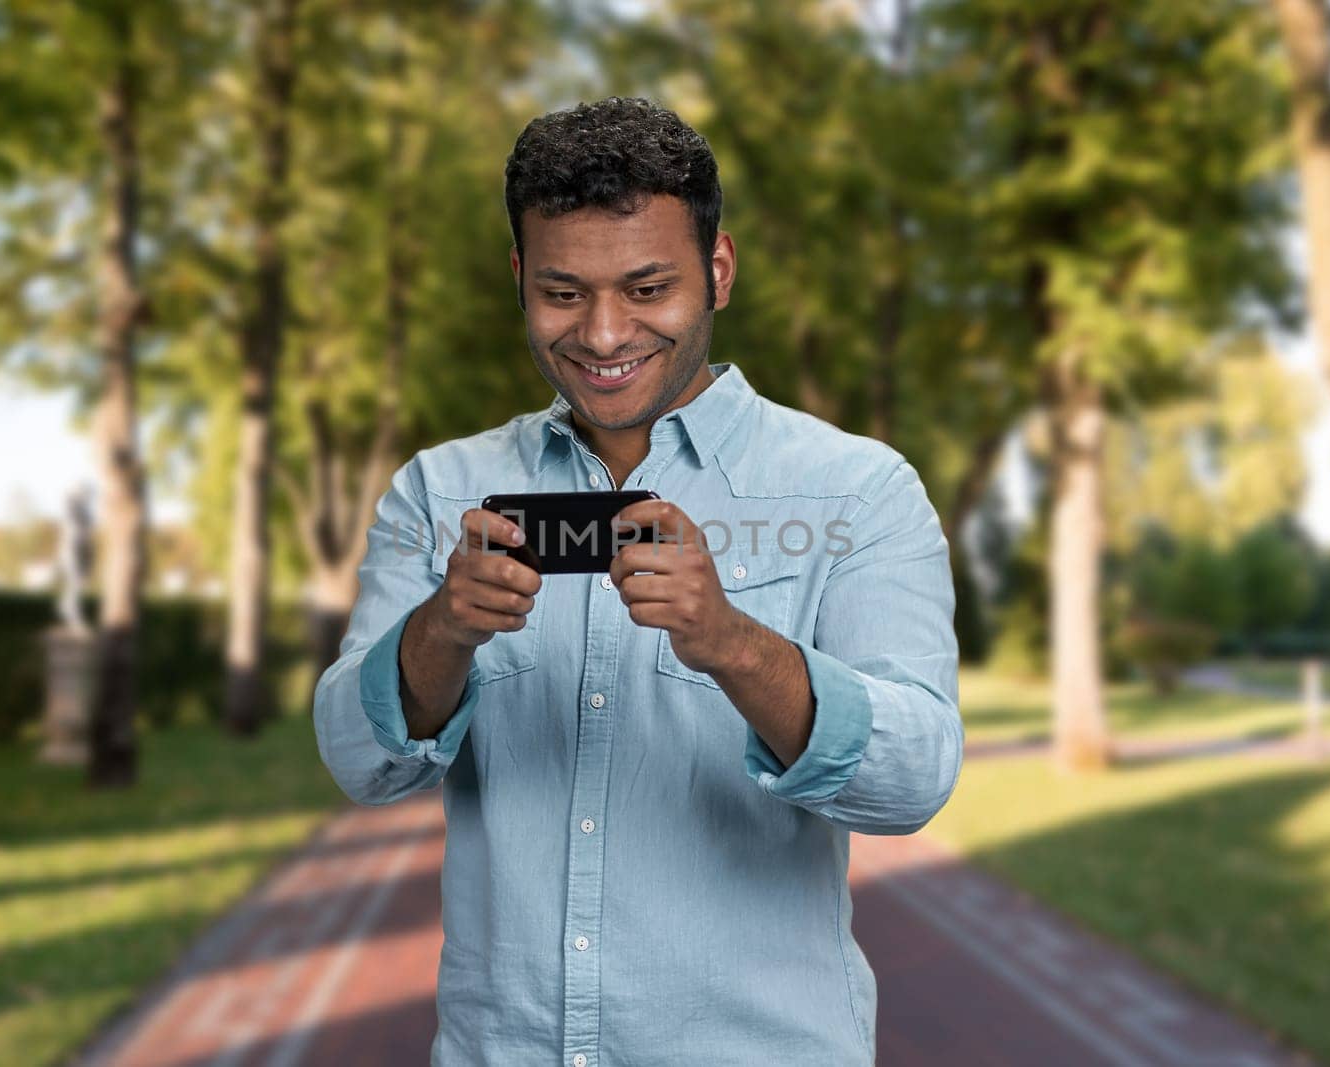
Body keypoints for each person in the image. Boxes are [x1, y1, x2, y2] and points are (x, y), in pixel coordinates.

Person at [313, 96, 962, 1066]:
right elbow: (355, 756)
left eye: (648, 286)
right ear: (519, 278)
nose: (604, 333)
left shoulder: (858, 489)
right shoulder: (437, 489)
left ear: (719, 271)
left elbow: (914, 776)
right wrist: (440, 628)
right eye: (563, 291)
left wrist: (733, 644)